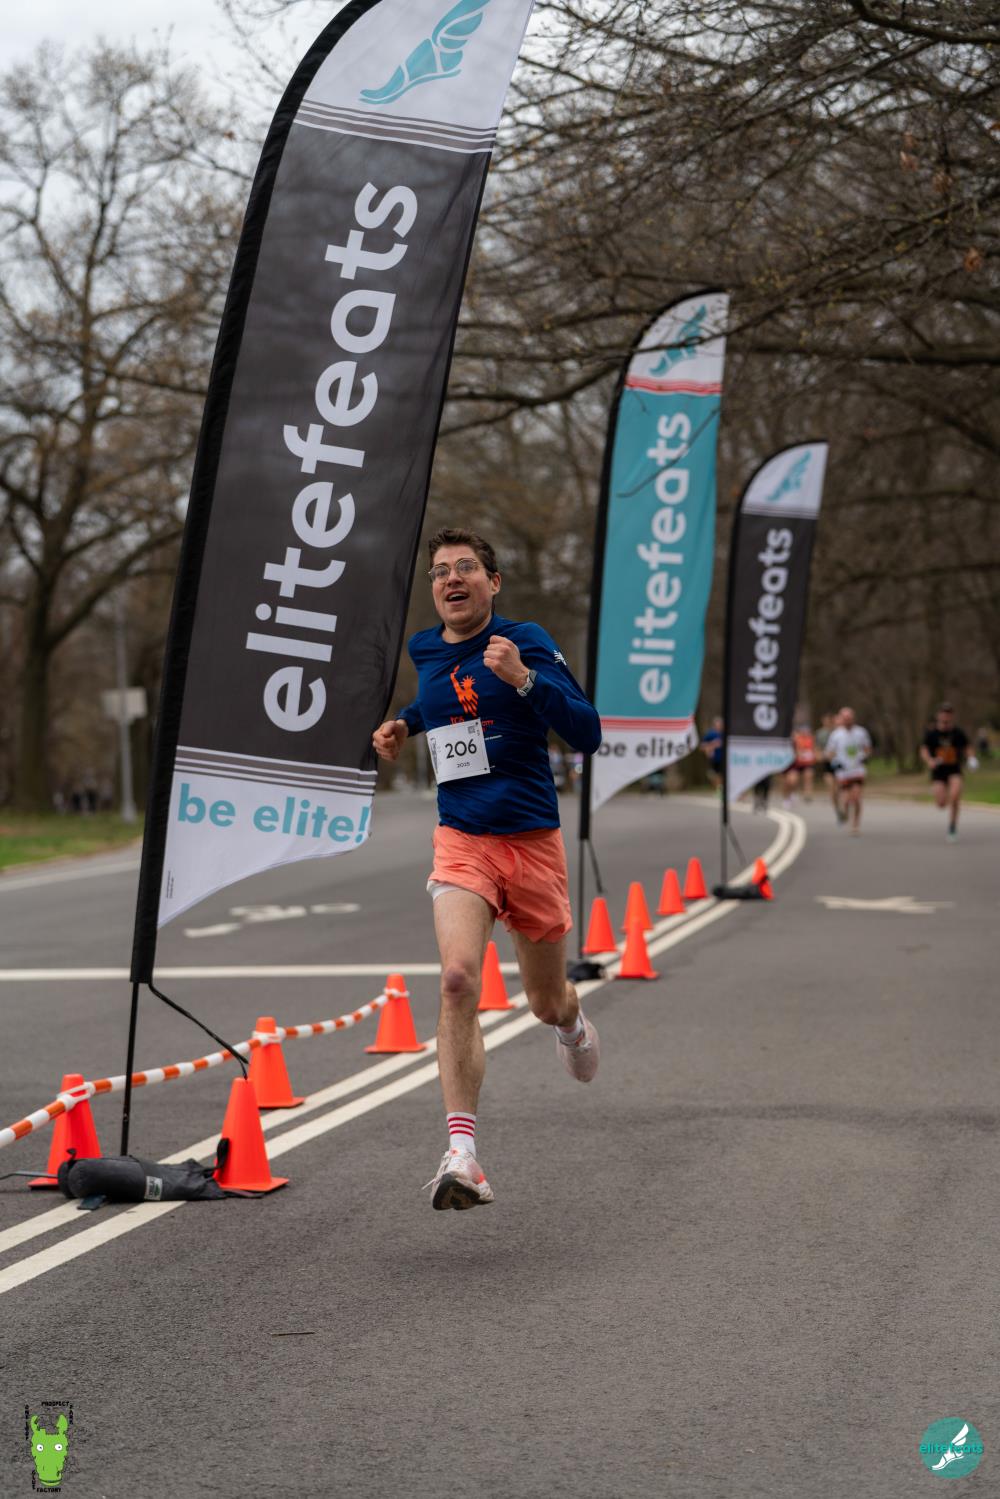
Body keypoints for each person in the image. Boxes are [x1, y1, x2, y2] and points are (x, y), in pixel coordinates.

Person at [372, 529, 602, 1212]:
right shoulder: (424, 649)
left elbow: (587, 732)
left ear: (492, 582)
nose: (451, 578)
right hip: (462, 839)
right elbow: (440, 701)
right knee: (456, 979)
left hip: (531, 842)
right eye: (440, 571)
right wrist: (404, 725)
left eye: (466, 567)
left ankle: (571, 1021)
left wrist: (524, 680)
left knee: (544, 1001)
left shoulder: (524, 641)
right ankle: (463, 1154)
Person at [920, 703, 970, 840]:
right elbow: (924, 750)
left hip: (954, 769)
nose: (946, 716)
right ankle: (942, 793)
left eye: (948, 713)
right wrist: (929, 760)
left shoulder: (958, 733)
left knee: (955, 795)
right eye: (943, 713)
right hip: (938, 772)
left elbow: (967, 747)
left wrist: (971, 758)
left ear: (952, 716)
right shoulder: (932, 733)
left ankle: (952, 826)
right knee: (941, 804)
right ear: (938, 715)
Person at [825, 706, 872, 833]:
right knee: (845, 800)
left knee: (856, 797)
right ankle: (845, 815)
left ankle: (855, 824)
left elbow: (867, 748)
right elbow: (829, 752)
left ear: (853, 718)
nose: (847, 721)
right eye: (845, 718)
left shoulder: (861, 732)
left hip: (857, 770)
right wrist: (835, 763)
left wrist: (864, 757)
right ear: (841, 719)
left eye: (849, 718)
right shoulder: (836, 734)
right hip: (843, 771)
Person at [783, 721, 817, 807]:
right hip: (789, 763)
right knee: (789, 782)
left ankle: (807, 794)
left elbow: (808, 750)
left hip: (799, 763)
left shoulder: (804, 739)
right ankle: (788, 796)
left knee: (802, 777)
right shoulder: (787, 740)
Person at [699, 717, 724, 788]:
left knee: (721, 775)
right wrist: (712, 745)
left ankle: (720, 788)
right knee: (714, 775)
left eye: (720, 724)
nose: (719, 726)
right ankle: (718, 787)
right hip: (714, 759)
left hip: (724, 758)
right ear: (714, 725)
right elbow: (702, 746)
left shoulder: (724, 733)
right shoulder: (711, 734)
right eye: (717, 724)